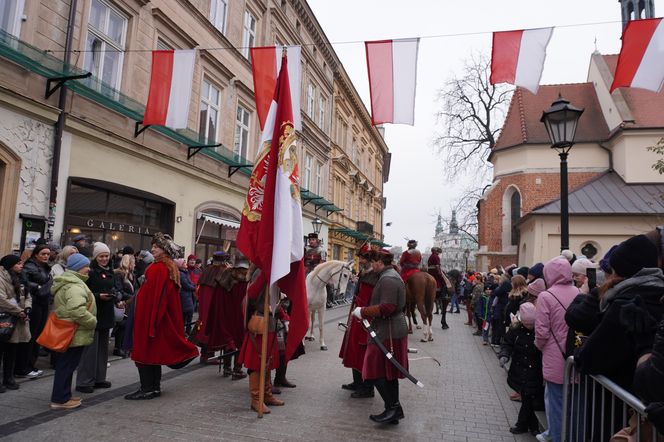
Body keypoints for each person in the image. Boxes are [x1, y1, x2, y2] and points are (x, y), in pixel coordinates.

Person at [575, 235, 664, 389]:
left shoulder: (624, 304)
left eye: (613, 270)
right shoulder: (659, 295)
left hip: (617, 399)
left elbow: (588, 359)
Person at [125, 233, 198, 400]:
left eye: (156, 247)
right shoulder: (167, 266)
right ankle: (154, 388)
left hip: (148, 318)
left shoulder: (159, 268)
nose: (152, 249)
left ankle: (147, 388)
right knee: (152, 354)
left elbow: (156, 297)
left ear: (164, 250)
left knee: (144, 354)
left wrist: (152, 321)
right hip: (154, 317)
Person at [352, 249, 408, 424]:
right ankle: (393, 409)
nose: (372, 265)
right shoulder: (387, 276)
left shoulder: (388, 278)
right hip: (386, 329)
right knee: (387, 373)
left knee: (374, 371)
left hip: (388, 331)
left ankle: (393, 408)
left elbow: (388, 307)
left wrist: (363, 311)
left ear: (380, 262)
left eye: (374, 262)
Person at [534, 256, 579, 442]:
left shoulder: (546, 295)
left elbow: (542, 330)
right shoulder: (578, 292)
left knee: (554, 399)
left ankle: (555, 434)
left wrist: (538, 345)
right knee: (574, 402)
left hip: (554, 353)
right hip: (575, 352)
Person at [49, 253, 97, 410]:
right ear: (78, 268)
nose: (88, 269)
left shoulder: (70, 282)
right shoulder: (74, 286)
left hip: (71, 329)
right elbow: (77, 311)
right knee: (67, 365)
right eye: (86, 266)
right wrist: (92, 321)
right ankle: (60, 399)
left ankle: (64, 395)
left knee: (67, 365)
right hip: (73, 330)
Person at [238, 270, 284, 414]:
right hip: (260, 322)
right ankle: (256, 400)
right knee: (256, 362)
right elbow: (251, 296)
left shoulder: (275, 270)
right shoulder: (260, 272)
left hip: (271, 321)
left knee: (268, 360)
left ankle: (267, 395)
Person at [76, 242, 117, 394]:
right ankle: (85, 381)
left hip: (106, 314)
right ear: (96, 257)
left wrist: (116, 297)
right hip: (93, 313)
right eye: (101, 256)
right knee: (90, 350)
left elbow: (115, 287)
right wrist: (99, 296)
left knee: (102, 349)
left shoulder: (111, 271)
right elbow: (83, 293)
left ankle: (100, 378)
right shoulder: (90, 272)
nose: (104, 259)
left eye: (106, 256)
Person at [339, 244, 379, 398]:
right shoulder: (364, 274)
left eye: (363, 258)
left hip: (366, 318)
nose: (360, 261)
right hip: (357, 316)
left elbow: (369, 300)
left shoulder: (374, 277)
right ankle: (357, 382)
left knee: (363, 352)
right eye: (360, 258)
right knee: (353, 350)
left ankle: (367, 387)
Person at [499, 302, 543, 436]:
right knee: (527, 397)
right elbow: (507, 344)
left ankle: (523, 425)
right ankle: (531, 425)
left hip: (534, 371)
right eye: (527, 324)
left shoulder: (540, 330)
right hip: (519, 369)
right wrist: (504, 355)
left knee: (529, 398)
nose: (530, 327)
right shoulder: (515, 330)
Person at [207, 260, 249, 380]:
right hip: (240, 316)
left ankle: (227, 368)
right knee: (240, 340)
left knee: (229, 340)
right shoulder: (246, 280)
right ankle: (237, 369)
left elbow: (216, 300)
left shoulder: (224, 277)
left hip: (226, 315)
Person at [18, 244, 52, 379]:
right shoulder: (29, 266)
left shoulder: (44, 267)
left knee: (38, 335)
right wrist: (38, 287)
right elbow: (24, 281)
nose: (46, 256)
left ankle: (31, 365)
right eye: (43, 254)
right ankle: (23, 367)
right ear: (36, 254)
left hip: (43, 303)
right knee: (30, 336)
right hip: (34, 303)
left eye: (48, 254)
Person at [0, 255, 31, 392]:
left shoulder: (21, 277)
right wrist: (19, 311)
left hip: (18, 318)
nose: (21, 266)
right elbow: (1, 299)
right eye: (18, 264)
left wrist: (27, 308)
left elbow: (28, 295)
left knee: (12, 350)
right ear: (10, 265)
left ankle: (9, 377)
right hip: (5, 318)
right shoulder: (2, 278)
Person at [194, 251, 229, 363]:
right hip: (213, 305)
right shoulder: (223, 271)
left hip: (204, 305)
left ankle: (205, 355)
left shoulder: (207, 270)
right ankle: (208, 356)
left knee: (204, 325)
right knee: (211, 327)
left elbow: (198, 289)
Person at [112, 254, 135, 358]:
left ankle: (123, 347)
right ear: (129, 263)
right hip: (121, 303)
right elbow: (119, 290)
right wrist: (132, 296)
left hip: (128, 303)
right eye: (133, 263)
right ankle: (118, 348)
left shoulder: (130, 274)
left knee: (125, 325)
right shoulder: (119, 274)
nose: (134, 265)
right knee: (121, 325)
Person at [175, 258, 195, 336]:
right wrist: (194, 288)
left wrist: (194, 286)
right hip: (184, 297)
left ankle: (187, 330)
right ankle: (183, 331)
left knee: (189, 314)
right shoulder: (181, 274)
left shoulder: (185, 272)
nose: (185, 263)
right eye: (184, 263)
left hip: (188, 296)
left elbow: (190, 282)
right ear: (180, 265)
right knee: (185, 315)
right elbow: (186, 285)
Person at [427, 247, 444, 314]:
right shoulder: (436, 257)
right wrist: (440, 272)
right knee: (443, 280)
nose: (438, 253)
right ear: (436, 251)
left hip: (430, 272)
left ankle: (437, 310)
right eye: (438, 252)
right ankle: (443, 290)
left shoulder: (430, 256)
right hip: (435, 272)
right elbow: (437, 265)